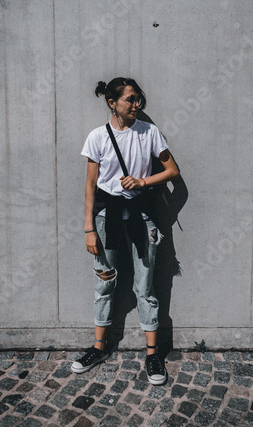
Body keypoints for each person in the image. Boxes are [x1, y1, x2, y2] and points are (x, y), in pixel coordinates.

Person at [71, 77, 179, 385]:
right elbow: (90, 187)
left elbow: (173, 171)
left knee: (146, 288)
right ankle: (98, 348)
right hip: (108, 219)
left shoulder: (149, 133)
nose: (137, 105)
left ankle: (153, 355)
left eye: (138, 99)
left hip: (143, 218)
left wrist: (143, 182)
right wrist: (89, 229)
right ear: (112, 103)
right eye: (130, 99)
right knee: (105, 283)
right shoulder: (97, 137)